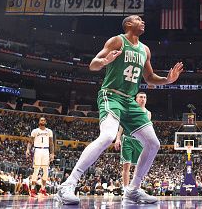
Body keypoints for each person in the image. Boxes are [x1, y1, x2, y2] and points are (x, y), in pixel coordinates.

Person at [55, 15, 184, 205]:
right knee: (107, 136)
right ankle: (67, 185)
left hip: (129, 101)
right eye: (139, 19)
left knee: (153, 143)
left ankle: (133, 190)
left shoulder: (145, 50)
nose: (143, 21)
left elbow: (149, 77)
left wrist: (167, 80)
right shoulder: (117, 40)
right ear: (129, 24)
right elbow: (93, 64)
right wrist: (105, 61)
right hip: (111, 95)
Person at [114, 92, 151, 188]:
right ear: (136, 99)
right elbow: (122, 126)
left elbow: (147, 130)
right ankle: (126, 189)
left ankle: (135, 188)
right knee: (126, 165)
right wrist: (117, 139)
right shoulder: (129, 110)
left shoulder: (148, 113)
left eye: (144, 97)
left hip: (139, 142)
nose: (143, 99)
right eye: (141, 97)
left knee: (139, 167)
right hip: (127, 139)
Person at [26, 117, 54, 197]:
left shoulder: (49, 131)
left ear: (46, 122)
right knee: (36, 170)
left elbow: (51, 143)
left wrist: (52, 153)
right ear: (39, 122)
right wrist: (28, 150)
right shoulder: (35, 131)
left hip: (46, 150)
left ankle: (43, 189)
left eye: (44, 120)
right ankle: (32, 190)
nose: (43, 121)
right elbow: (30, 142)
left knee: (46, 170)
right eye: (41, 120)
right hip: (37, 150)